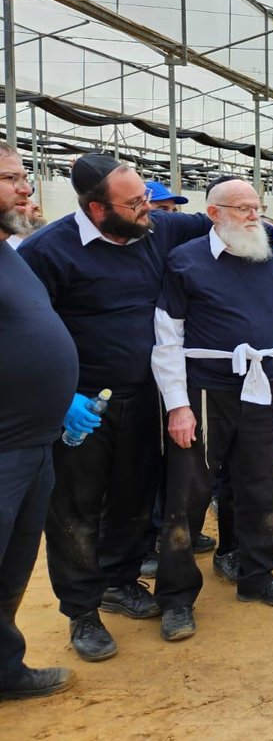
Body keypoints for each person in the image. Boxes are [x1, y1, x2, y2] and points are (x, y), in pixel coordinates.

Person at [18, 154, 212, 662]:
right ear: (98, 209)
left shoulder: (153, 230)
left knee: (132, 497)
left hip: (144, 396)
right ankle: (81, 611)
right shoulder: (47, 252)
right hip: (82, 407)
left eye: (147, 198)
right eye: (135, 202)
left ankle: (119, 581)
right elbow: (21, 332)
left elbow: (212, 217)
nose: (148, 207)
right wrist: (62, 400)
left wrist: (245, 219)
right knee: (75, 511)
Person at [151, 178, 273, 642]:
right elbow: (167, 338)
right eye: (241, 208)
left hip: (265, 387)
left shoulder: (271, 258)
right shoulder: (186, 261)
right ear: (214, 213)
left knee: (264, 486)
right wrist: (178, 406)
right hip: (205, 391)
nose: (252, 215)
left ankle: (256, 576)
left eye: (256, 207)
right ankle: (176, 598)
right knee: (189, 493)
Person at [0, 144, 77, 700]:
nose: (27, 188)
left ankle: (6, 670)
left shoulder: (11, 253)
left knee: (13, 568)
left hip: (35, 443)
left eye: (25, 177)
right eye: (10, 179)